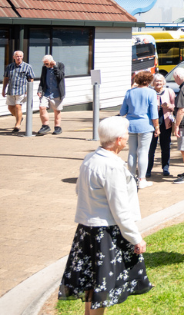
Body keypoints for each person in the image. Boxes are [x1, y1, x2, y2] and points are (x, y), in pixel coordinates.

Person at [58, 116, 152, 312]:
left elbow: (79, 190)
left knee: (94, 284)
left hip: (87, 229)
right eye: (126, 134)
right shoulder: (112, 166)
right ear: (118, 139)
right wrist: (136, 238)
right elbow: (120, 208)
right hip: (106, 232)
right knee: (102, 287)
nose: (128, 137)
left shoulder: (89, 159)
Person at [119, 71, 159, 189]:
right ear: (149, 81)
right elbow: (154, 113)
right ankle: (142, 179)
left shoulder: (129, 92)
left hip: (130, 125)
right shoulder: (151, 93)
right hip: (146, 125)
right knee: (143, 152)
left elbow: (122, 112)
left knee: (132, 152)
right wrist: (157, 127)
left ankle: (131, 177)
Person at [147, 74, 175, 178]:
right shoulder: (150, 92)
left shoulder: (169, 91)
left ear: (163, 82)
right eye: (156, 81)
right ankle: (148, 168)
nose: (158, 83)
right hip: (152, 122)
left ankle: (165, 168)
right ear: (152, 83)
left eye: (160, 81)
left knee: (165, 146)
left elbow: (174, 106)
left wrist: (168, 106)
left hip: (165, 121)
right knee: (151, 147)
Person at [2, 50, 34, 132]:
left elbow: (31, 78)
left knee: (18, 106)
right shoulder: (9, 67)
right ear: (14, 57)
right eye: (17, 56)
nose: (18, 58)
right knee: (10, 107)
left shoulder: (27, 67)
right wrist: (3, 89)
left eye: (20, 56)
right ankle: (20, 117)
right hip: (11, 90)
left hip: (22, 90)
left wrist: (28, 90)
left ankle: (17, 125)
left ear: (22, 57)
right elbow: (6, 78)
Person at [37, 54, 66, 135]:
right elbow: (42, 80)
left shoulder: (60, 65)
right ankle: (45, 125)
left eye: (47, 64)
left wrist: (55, 67)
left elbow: (60, 76)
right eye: (44, 64)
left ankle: (57, 127)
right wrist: (39, 90)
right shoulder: (44, 68)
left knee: (57, 111)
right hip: (46, 92)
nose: (46, 65)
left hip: (57, 92)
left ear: (51, 62)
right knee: (42, 107)